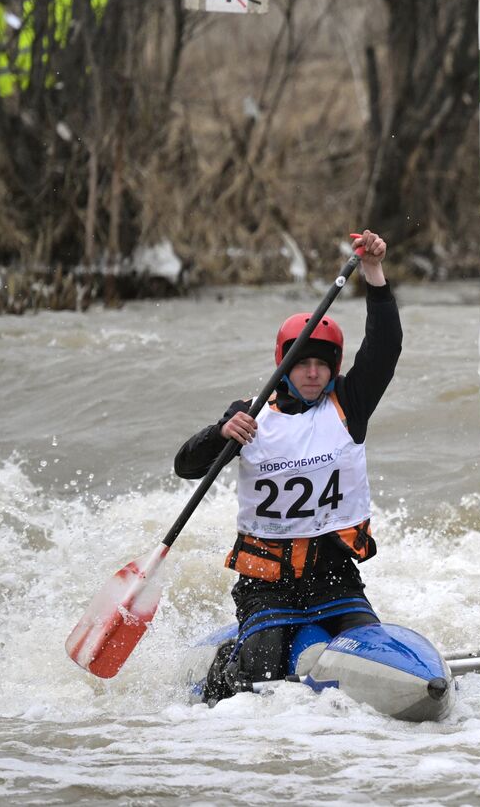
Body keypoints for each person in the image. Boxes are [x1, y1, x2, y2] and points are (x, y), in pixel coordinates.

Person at [173, 230, 400, 703]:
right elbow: (186, 466)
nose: (313, 373)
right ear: (284, 365)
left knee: (366, 652)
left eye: (323, 364)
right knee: (260, 671)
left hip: (335, 576)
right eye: (302, 364)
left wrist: (374, 274)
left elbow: (386, 346)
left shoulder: (349, 405)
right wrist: (220, 434)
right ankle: (222, 667)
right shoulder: (250, 416)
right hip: (267, 584)